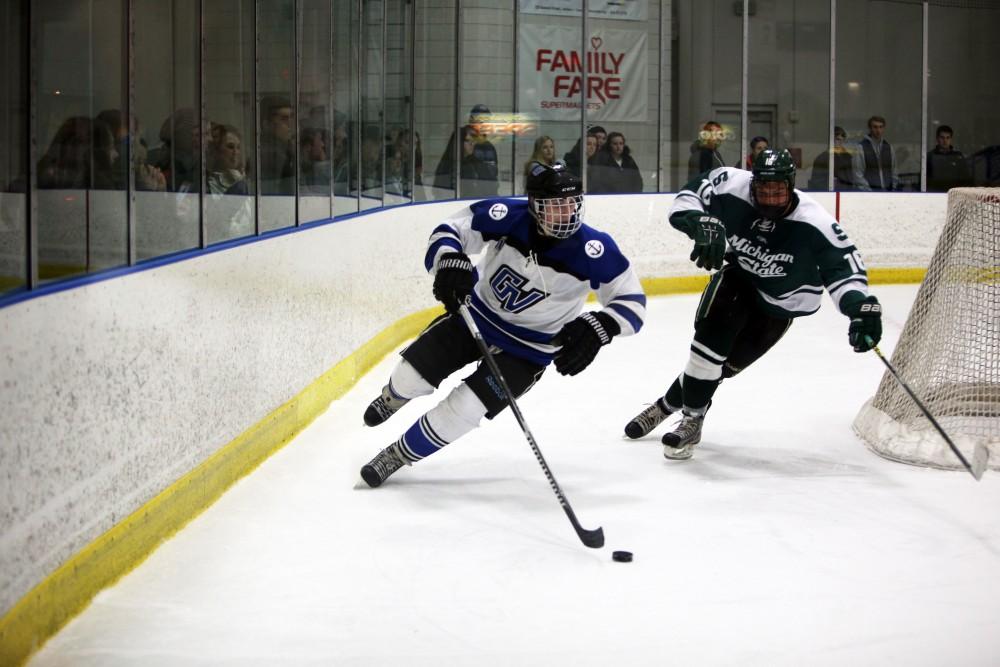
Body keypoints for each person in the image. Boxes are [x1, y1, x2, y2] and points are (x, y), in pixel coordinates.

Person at [359, 163, 647, 487]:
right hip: (475, 317)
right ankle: (393, 397)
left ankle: (397, 455)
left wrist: (601, 326)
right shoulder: (506, 215)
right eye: (555, 206)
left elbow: (632, 301)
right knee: (408, 376)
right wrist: (449, 260)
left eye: (572, 203)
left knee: (465, 408)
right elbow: (450, 230)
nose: (567, 213)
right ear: (534, 205)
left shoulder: (595, 249)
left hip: (529, 350)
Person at [623, 149, 882, 460]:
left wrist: (859, 307)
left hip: (783, 303)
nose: (770, 199)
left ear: (791, 185)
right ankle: (693, 420)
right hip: (740, 278)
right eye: (763, 190)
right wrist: (699, 221)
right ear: (753, 183)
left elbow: (844, 270)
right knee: (706, 352)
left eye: (778, 192)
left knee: (721, 369)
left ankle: (665, 405)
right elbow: (686, 199)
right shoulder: (732, 184)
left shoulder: (816, 223)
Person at [434, 125, 497, 198]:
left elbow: (491, 188)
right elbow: (440, 192)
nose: (472, 144)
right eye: (467, 141)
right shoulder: (448, 165)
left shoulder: (478, 164)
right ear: (458, 142)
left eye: (474, 141)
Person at [852, 115, 899, 192]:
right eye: (875, 127)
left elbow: (894, 171)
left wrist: (893, 189)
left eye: (881, 127)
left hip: (888, 192)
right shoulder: (861, 147)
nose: (878, 130)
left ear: (884, 128)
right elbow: (858, 174)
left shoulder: (889, 147)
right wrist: (870, 192)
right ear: (870, 128)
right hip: (869, 194)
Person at [926, 125, 971, 192]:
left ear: (951, 139)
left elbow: (966, 178)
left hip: (955, 193)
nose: (945, 140)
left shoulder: (958, 157)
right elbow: (926, 179)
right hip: (936, 194)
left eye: (948, 138)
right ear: (937, 138)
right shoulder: (930, 156)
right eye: (942, 137)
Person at [807, 126, 854, 191]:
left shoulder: (848, 157)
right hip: (828, 194)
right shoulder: (822, 158)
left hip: (847, 194)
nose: (840, 138)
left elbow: (851, 179)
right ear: (831, 139)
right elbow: (817, 182)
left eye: (842, 136)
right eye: (837, 136)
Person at [207, 124, 249, 195]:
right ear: (217, 150)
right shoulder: (209, 182)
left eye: (238, 147)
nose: (236, 152)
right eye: (230, 147)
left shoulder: (242, 178)